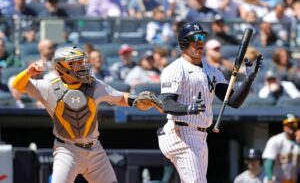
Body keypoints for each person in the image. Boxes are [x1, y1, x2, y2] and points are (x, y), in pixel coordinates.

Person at [11, 45, 160, 182]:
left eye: (82, 62)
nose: (82, 66)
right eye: (76, 63)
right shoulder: (48, 87)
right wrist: (29, 72)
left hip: (94, 148)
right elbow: (17, 85)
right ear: (62, 66)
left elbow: (120, 97)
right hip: (67, 150)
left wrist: (137, 101)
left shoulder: (95, 85)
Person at [157, 22, 263, 183]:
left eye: (202, 37)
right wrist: (188, 108)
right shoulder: (175, 69)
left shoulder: (212, 71)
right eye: (195, 38)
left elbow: (233, 101)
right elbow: (166, 104)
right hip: (180, 132)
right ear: (184, 43)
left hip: (200, 135)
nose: (200, 41)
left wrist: (248, 80)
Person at [262, 113, 300, 183]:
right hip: (276, 180)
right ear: (284, 126)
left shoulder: (297, 142)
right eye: (288, 124)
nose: (291, 126)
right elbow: (268, 161)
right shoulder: (275, 140)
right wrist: (270, 179)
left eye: (294, 124)